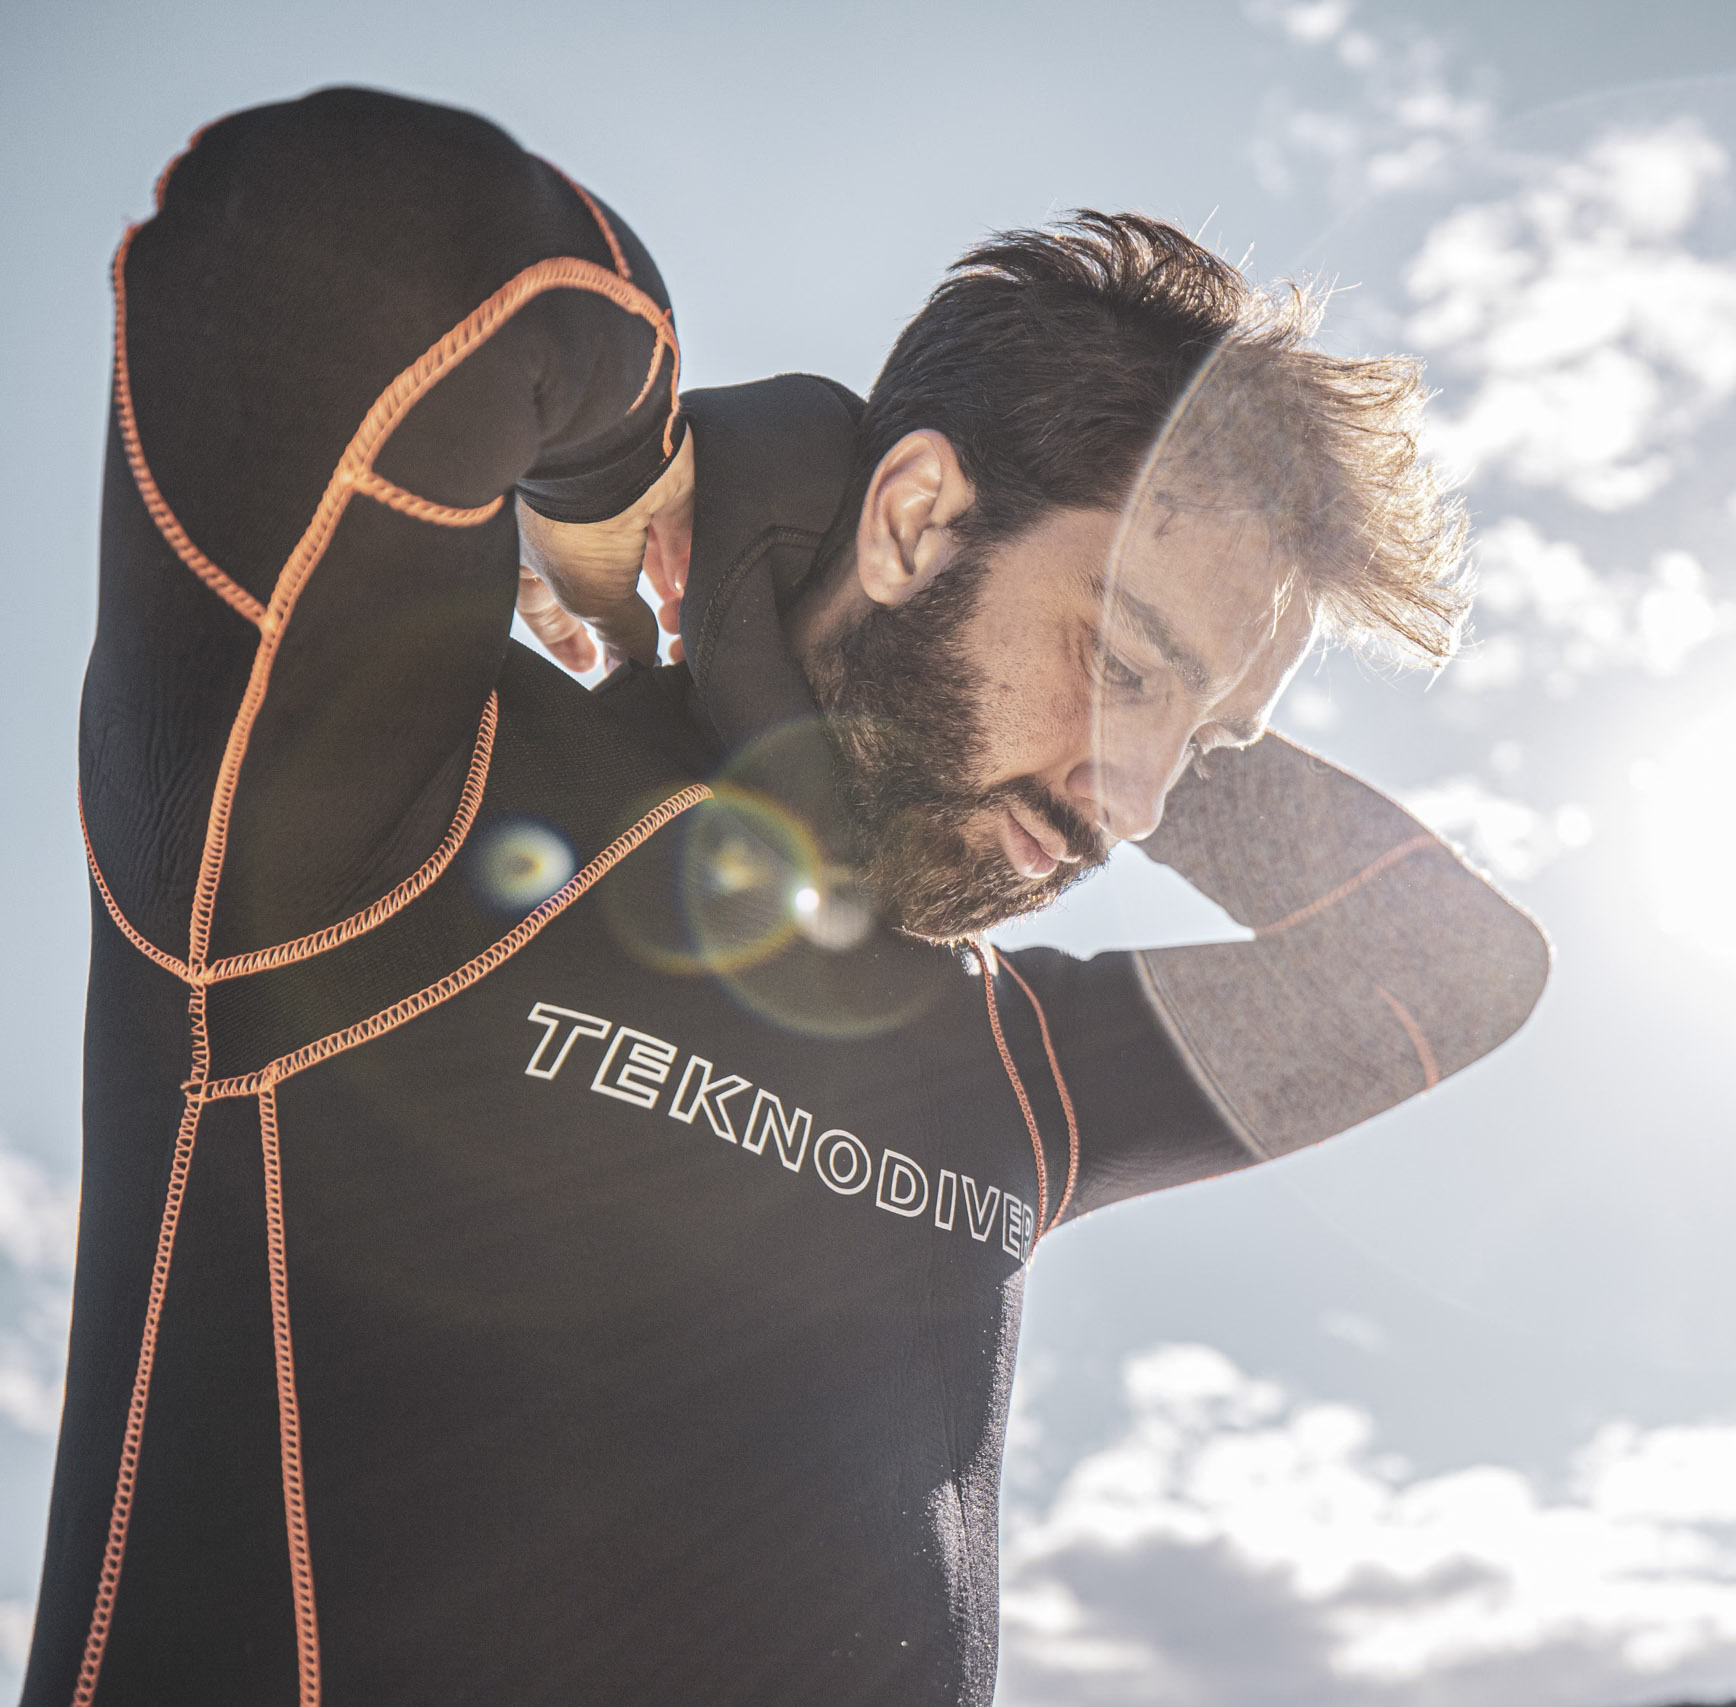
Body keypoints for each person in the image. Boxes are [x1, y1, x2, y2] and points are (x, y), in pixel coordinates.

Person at [31, 85, 1546, 1707]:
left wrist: (1189, 688)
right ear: (911, 518)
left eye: (1210, 743)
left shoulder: (1026, 1085)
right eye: (1115, 662)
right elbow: (344, 221)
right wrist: (654, 470)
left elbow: (1456, 970)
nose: (1144, 803)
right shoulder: (379, 816)